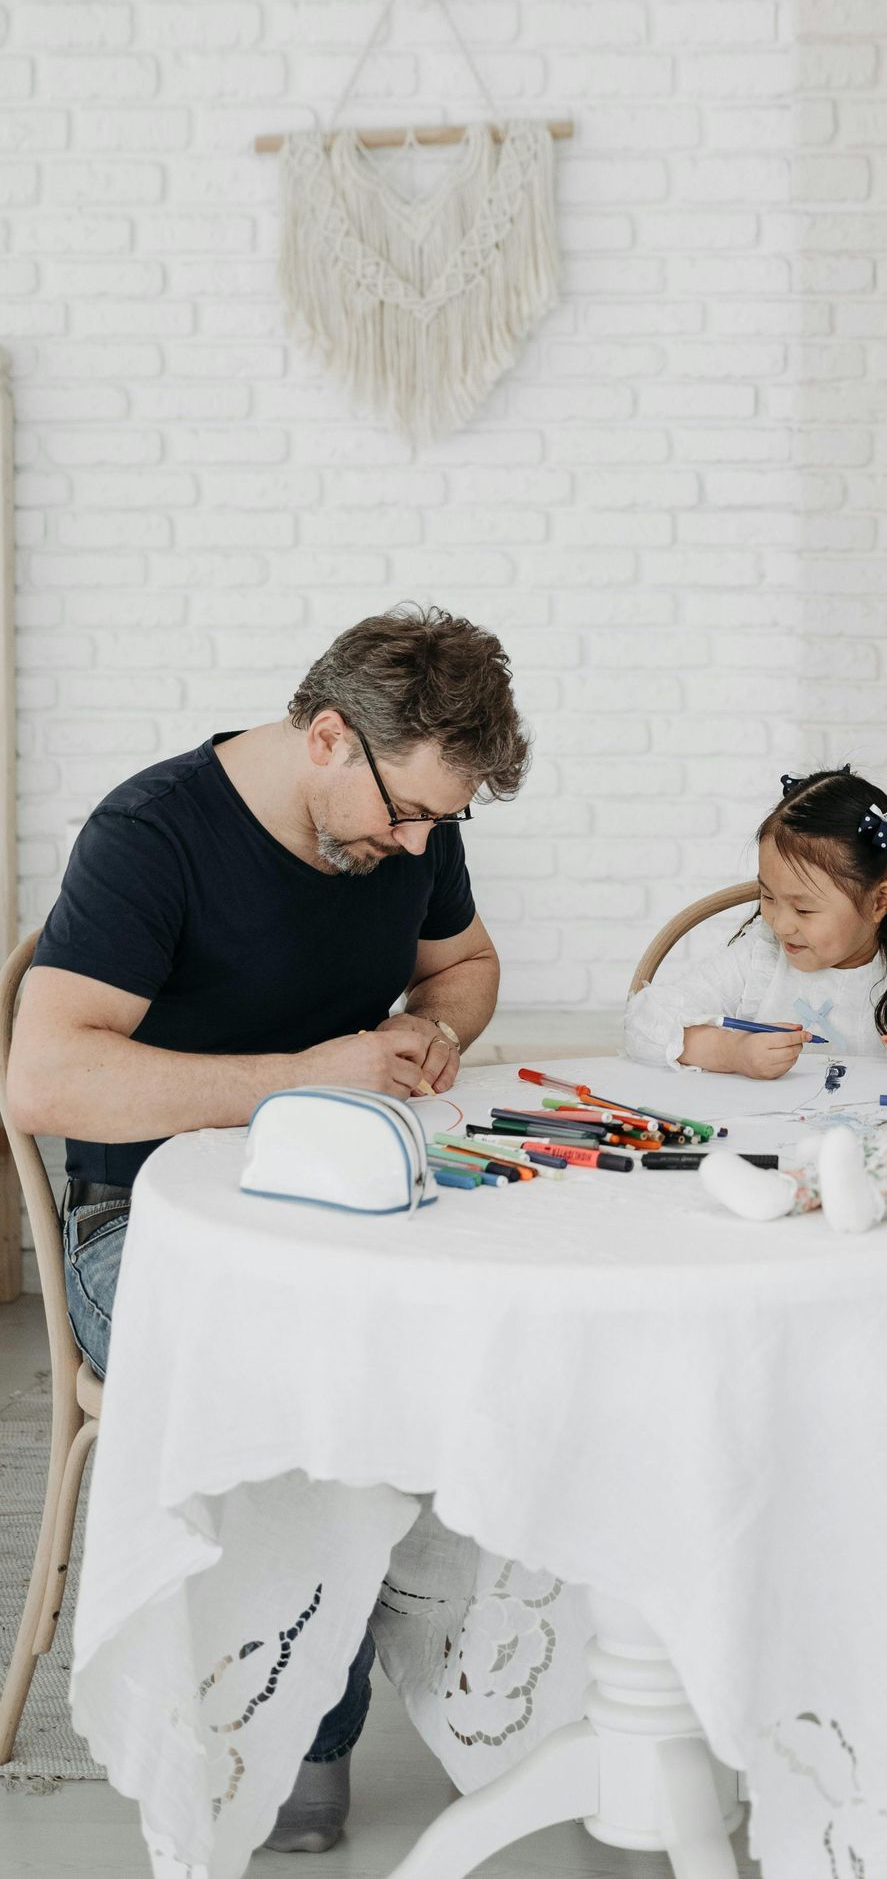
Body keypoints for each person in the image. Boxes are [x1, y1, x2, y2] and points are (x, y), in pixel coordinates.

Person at [9, 604, 530, 1853]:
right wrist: (307, 1073)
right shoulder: (153, 833)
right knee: (328, 1372)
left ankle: (522, 1700)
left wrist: (438, 1031)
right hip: (140, 1227)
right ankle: (287, 1726)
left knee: (517, 1331)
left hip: (339, 1194)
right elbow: (41, 1080)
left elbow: (463, 963)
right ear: (329, 738)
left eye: (441, 825)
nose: (417, 844)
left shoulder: (408, 830)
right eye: (405, 813)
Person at [625, 767, 887, 1088]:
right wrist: (732, 1052)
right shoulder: (762, 954)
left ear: (879, 901)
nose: (780, 923)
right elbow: (645, 1019)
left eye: (803, 910)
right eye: (768, 898)